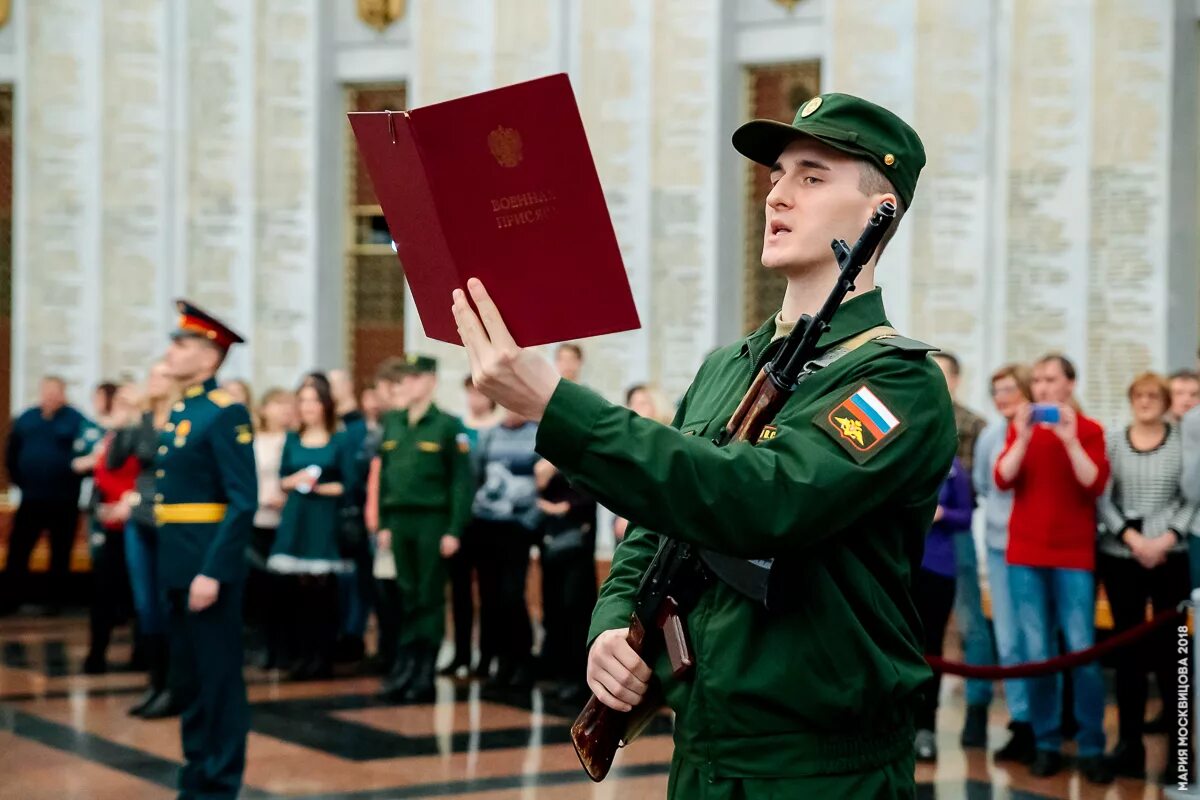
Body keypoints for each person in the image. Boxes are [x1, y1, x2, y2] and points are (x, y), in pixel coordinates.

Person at [453, 92, 958, 797]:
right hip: (702, 757)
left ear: (882, 214)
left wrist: (555, 408)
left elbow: (762, 498)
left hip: (821, 772)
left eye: (812, 177)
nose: (777, 194)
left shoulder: (896, 384)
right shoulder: (730, 367)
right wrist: (610, 627)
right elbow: (659, 520)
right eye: (777, 175)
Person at [995, 354, 1112, 783]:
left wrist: (1068, 439)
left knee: (1082, 654)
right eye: (1038, 380)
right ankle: (1046, 743)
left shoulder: (1091, 430)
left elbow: (1093, 483)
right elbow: (1003, 478)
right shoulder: (1017, 428)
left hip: (1073, 557)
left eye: (1050, 380)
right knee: (1037, 654)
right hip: (1025, 555)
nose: (1041, 387)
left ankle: (1092, 745)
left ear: (1069, 384)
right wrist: (1023, 437)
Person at [156, 300, 257, 799]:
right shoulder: (183, 409)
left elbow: (243, 502)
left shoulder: (224, 412)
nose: (172, 350)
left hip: (206, 569)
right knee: (191, 680)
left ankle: (220, 781)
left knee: (218, 681)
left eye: (183, 343)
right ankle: (197, 773)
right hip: (178, 562)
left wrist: (213, 572)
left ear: (211, 356)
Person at [1097, 372, 1195, 778]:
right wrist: (1132, 538)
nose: (1146, 401)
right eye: (1139, 395)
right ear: (1131, 398)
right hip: (1123, 556)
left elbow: (1192, 496)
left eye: (1154, 395)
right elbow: (1103, 498)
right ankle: (1129, 745)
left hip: (1171, 556)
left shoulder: (1183, 441)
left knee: (1175, 655)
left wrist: (1165, 538)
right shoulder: (1114, 440)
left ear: (1165, 400)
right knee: (1128, 655)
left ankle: (1180, 753)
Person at [375, 355, 473, 703]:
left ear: (431, 381)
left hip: (432, 519)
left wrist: (453, 530)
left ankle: (423, 673)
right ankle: (405, 666)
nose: (407, 384)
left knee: (429, 596)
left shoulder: (447, 425)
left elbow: (461, 483)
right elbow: (387, 475)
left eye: (414, 378)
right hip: (399, 519)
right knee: (405, 594)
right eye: (404, 378)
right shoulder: (394, 421)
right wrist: (385, 523)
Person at [267, 380, 354, 680]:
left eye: (314, 401)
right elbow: (281, 479)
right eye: (303, 401)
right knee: (295, 591)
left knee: (323, 591)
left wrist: (320, 487)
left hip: (324, 515)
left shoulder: (338, 440)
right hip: (297, 516)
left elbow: (348, 483)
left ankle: (322, 655)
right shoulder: (292, 439)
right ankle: (299, 655)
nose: (308, 407)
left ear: (325, 406)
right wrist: (294, 481)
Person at [109, 361, 180, 718]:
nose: (154, 380)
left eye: (162, 375)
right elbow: (115, 460)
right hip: (140, 519)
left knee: (170, 602)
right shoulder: (143, 420)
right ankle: (155, 683)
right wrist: (124, 421)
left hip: (170, 519)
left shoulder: (182, 420)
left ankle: (174, 685)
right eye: (151, 374)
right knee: (146, 604)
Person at [931, 351, 994, 748]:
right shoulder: (910, 415)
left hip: (954, 533)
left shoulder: (973, 424)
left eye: (942, 375)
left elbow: (976, 487)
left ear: (956, 379)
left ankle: (978, 709)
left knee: (971, 622)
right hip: (917, 537)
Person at [973, 364, 1035, 763]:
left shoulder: (1044, 430)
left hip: (1035, 548)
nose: (1002, 397)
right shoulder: (991, 436)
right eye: (996, 391)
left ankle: (1045, 719)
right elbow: (983, 483)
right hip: (999, 546)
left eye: (1010, 388)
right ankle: (1021, 718)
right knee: (1010, 640)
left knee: (1039, 637)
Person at [1, 377, 89, 614]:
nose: (50, 396)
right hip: (31, 498)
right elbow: (12, 452)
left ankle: (55, 603)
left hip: (64, 499)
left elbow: (89, 453)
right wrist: (19, 480)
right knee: (19, 550)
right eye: (46, 391)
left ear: (63, 394)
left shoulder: (76, 420)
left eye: (55, 392)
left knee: (61, 552)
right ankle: (10, 601)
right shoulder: (27, 418)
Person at [471, 407, 541, 687]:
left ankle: (522, 659)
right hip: (487, 524)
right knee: (489, 596)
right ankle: (498, 661)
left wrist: (532, 521)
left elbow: (543, 482)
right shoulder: (489, 436)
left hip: (518, 526)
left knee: (512, 595)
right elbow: (477, 475)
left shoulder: (536, 433)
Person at [913, 457, 973, 762]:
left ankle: (925, 727)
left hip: (937, 567)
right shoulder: (897, 452)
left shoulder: (952, 467)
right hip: (901, 563)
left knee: (931, 646)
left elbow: (965, 516)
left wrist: (943, 513)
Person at [442, 376, 502, 677]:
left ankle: (487, 656)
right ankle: (460, 653)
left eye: (478, 394)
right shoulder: (457, 427)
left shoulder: (497, 428)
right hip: (461, 520)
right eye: (468, 393)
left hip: (488, 521)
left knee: (489, 592)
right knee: (460, 592)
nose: (473, 400)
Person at [83, 382, 139, 675]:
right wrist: (98, 507)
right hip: (109, 521)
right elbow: (99, 476)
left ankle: (142, 654)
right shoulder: (109, 438)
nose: (121, 411)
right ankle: (96, 653)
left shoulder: (142, 437)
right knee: (103, 593)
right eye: (118, 404)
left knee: (138, 594)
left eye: (128, 405)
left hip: (136, 521)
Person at [246, 388, 294, 669]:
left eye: (289, 405)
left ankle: (284, 647)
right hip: (257, 518)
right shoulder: (254, 441)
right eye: (278, 404)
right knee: (259, 585)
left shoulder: (295, 440)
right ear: (264, 409)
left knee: (284, 587)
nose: (284, 411)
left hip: (285, 520)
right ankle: (260, 645)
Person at [328, 368, 373, 665]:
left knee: (358, 579)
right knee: (339, 578)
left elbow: (357, 473)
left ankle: (353, 634)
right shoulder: (326, 425)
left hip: (355, 510)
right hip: (330, 512)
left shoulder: (358, 427)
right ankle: (338, 631)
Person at [613, 384, 672, 543]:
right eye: (632, 403)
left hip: (652, 526)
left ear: (657, 406)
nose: (635, 408)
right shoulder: (629, 443)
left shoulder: (663, 441)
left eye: (642, 403)